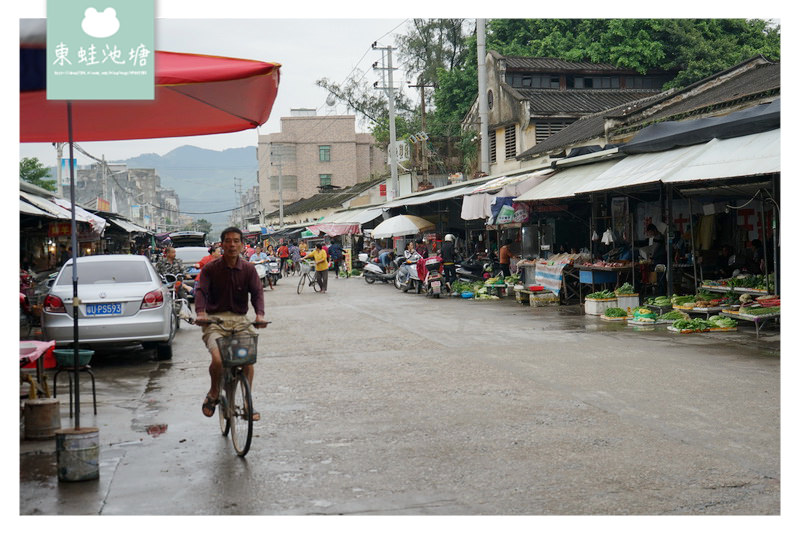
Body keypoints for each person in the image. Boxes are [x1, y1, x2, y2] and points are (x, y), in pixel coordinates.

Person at [194, 227, 268, 420]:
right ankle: (213, 392)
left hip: (240, 321)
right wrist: (200, 312)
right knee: (218, 360)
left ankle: (247, 403)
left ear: (242, 245)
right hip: (214, 321)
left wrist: (259, 315)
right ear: (222, 244)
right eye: (228, 241)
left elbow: (257, 293)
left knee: (247, 359)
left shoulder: (249, 269)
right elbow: (200, 291)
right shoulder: (211, 268)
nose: (232, 245)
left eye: (236, 241)